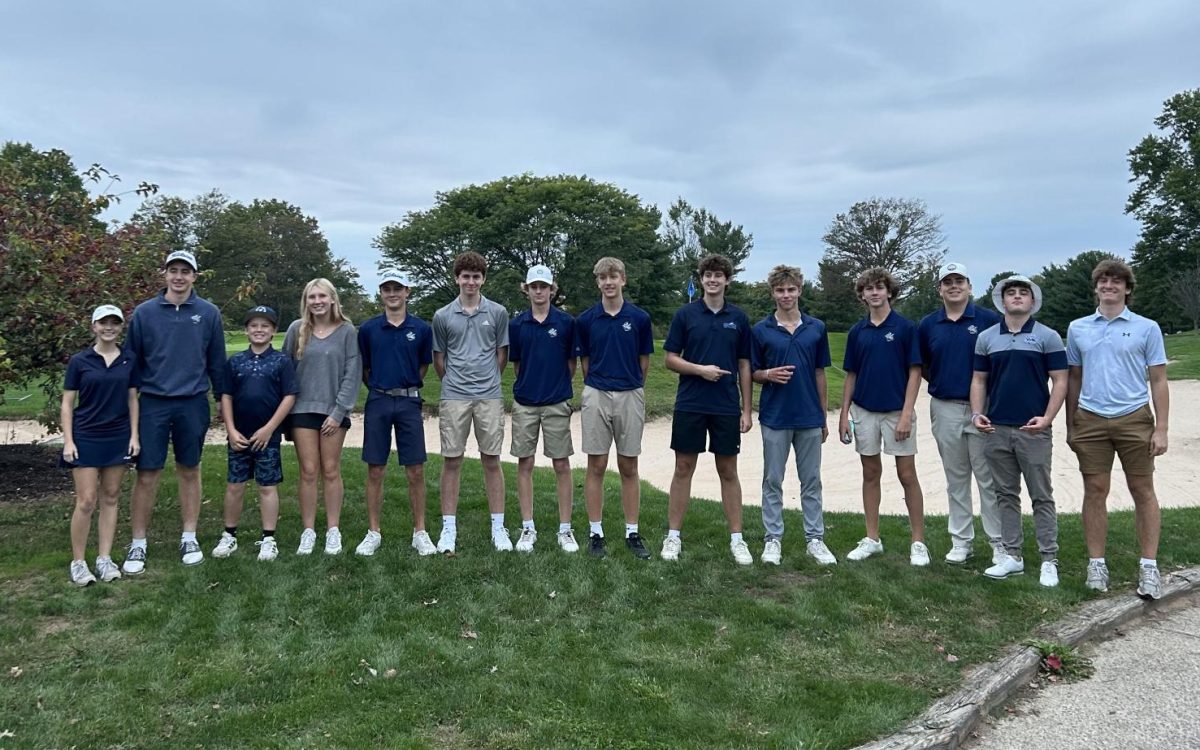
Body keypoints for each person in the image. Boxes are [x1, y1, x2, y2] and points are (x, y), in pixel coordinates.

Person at [1066, 260, 1169, 599]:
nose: (1109, 285)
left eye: (1116, 281)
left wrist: (1162, 428)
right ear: (1095, 288)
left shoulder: (1146, 328)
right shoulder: (1078, 328)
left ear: (1127, 289)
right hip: (1091, 418)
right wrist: (1072, 422)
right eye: (1103, 280)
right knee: (1095, 490)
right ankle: (1096, 563)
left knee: (1143, 490)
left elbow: (1158, 379)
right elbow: (1075, 378)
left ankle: (1149, 566)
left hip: (1134, 417)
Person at [122, 250, 226, 574]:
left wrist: (222, 397)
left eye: (185, 271)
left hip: (193, 401)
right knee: (147, 473)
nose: (179, 277)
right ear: (164, 274)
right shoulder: (144, 313)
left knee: (189, 469)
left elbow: (217, 361)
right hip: (153, 401)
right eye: (173, 271)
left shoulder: (208, 313)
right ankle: (138, 542)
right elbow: (131, 361)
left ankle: (189, 536)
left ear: (194, 276)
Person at [971, 275, 1068, 587]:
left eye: (1022, 293)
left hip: (1033, 429)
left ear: (1032, 300)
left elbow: (1060, 380)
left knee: (1041, 495)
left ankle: (1048, 559)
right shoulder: (987, 337)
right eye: (1010, 292)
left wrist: (1048, 417)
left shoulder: (1047, 336)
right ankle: (1012, 556)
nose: (1016, 297)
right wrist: (977, 414)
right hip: (996, 427)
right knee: (1005, 494)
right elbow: (979, 380)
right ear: (1002, 300)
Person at [661, 254, 754, 564]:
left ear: (727, 280)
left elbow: (744, 364)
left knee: (728, 470)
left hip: (726, 405)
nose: (713, 280)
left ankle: (737, 538)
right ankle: (673, 536)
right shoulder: (686, 315)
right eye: (707, 275)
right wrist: (700, 370)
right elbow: (670, 358)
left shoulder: (738, 318)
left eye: (718, 275)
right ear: (701, 280)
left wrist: (747, 408)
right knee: (683, 468)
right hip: (691, 402)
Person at [838, 267, 929, 566]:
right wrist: (843, 414)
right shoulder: (857, 332)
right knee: (870, 473)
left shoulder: (905, 328)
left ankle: (918, 541)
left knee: (906, 475)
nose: (874, 292)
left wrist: (906, 414)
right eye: (868, 288)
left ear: (889, 291)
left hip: (895, 412)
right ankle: (872, 538)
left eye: (879, 287)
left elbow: (915, 372)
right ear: (862, 295)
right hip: (864, 410)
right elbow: (851, 375)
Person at [918, 262, 1004, 565]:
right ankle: (961, 541)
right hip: (945, 407)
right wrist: (943, 383)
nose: (953, 286)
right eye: (947, 282)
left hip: (984, 409)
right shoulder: (929, 324)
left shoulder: (990, 320)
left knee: (988, 479)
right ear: (940, 289)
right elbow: (925, 365)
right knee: (956, 478)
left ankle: (999, 543)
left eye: (959, 281)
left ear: (969, 286)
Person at [751, 265, 837, 567]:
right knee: (772, 479)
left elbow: (819, 373)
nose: (786, 295)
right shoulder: (761, 330)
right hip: (775, 416)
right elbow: (752, 373)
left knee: (811, 480)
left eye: (790, 289)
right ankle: (772, 538)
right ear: (773, 293)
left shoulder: (815, 327)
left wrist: (823, 416)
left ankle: (815, 538)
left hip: (809, 416)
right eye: (780, 290)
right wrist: (766, 374)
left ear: (799, 290)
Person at [574, 257, 654, 559]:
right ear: (597, 282)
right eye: (603, 277)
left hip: (630, 393)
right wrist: (597, 384)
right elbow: (585, 361)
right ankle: (596, 532)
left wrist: (631, 385)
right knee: (595, 465)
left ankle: (632, 532)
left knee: (629, 465)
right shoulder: (586, 320)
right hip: (596, 392)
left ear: (623, 279)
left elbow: (644, 360)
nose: (609, 282)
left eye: (614, 276)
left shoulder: (639, 318)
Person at [431, 251, 510, 554]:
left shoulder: (498, 312)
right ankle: (448, 527)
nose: (471, 282)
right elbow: (439, 359)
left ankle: (498, 526)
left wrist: (488, 378)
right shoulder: (442, 316)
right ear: (457, 278)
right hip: (454, 396)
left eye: (476, 276)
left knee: (492, 459)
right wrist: (453, 381)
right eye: (465, 276)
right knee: (452, 460)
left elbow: (501, 355)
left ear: (483, 279)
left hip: (489, 395)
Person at [356, 271, 436, 557]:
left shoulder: (421, 329)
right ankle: (373, 531)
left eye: (397, 288)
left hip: (409, 402)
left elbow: (423, 367)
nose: (392, 293)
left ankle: (420, 531)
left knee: (415, 468)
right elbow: (366, 369)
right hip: (378, 400)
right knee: (375, 468)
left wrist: (406, 386)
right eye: (387, 289)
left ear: (407, 292)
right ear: (381, 293)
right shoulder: (368, 329)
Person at [211, 306, 298, 562]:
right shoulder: (236, 361)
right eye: (254, 326)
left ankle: (269, 538)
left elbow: (289, 396)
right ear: (246, 330)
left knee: (267, 486)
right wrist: (231, 429)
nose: (259, 330)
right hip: (239, 436)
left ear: (273, 331)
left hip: (267, 436)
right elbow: (225, 396)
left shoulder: (281, 361)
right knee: (235, 485)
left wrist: (270, 428)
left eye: (265, 326)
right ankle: (229, 535)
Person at [61, 304, 140, 585]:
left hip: (118, 435)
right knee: (86, 501)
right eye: (103, 323)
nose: (109, 327)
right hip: (85, 436)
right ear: (93, 326)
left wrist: (134, 436)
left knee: (111, 497)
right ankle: (79, 562)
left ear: (120, 328)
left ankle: (104, 559)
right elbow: (68, 403)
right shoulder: (80, 361)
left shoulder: (128, 360)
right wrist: (68, 440)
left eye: (114, 323)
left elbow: (132, 400)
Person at [283, 278, 361, 556]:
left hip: (334, 413)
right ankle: (308, 531)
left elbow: (352, 375)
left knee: (330, 470)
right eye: (311, 296)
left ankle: (332, 530)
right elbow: (286, 371)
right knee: (308, 471)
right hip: (302, 410)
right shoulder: (296, 329)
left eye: (321, 296)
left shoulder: (347, 332)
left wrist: (339, 412)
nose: (316, 301)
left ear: (332, 299)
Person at [508, 265, 579, 553]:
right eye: (534, 286)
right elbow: (517, 365)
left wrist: (554, 388)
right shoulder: (517, 324)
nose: (539, 291)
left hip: (556, 401)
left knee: (561, 464)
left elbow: (571, 365)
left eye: (544, 286)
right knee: (525, 463)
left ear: (552, 289)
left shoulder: (566, 323)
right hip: (525, 403)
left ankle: (565, 529)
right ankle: (528, 527)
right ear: (527, 289)